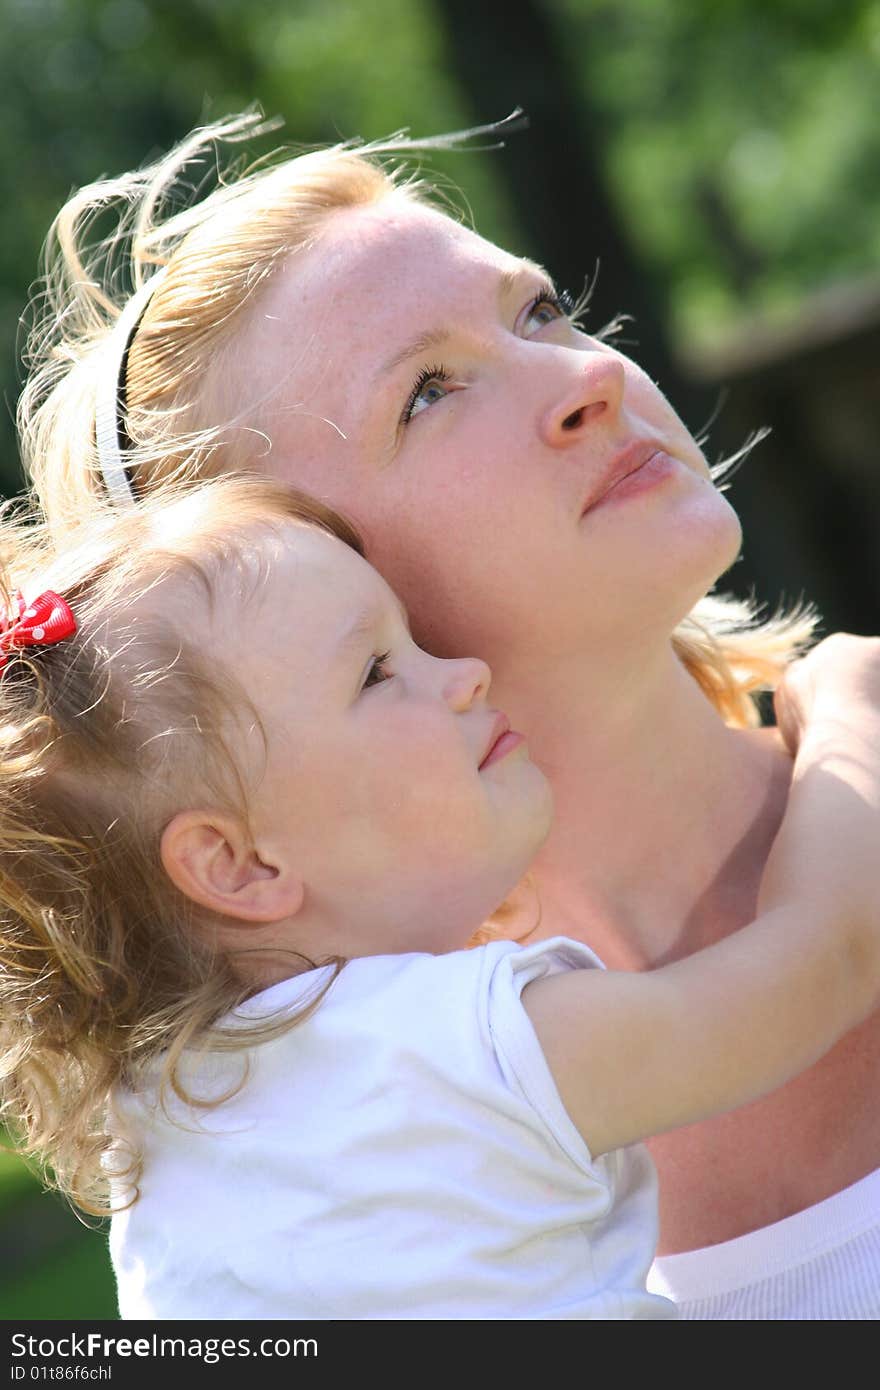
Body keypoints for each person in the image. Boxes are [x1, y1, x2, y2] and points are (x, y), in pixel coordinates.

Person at [16, 114, 880, 1317]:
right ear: (288, 586)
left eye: (537, 312)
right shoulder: (359, 1171)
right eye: (426, 393)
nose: (587, 377)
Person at [0, 473, 879, 1320]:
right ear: (239, 866)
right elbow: (825, 963)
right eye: (379, 671)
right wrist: (844, 707)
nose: (463, 673)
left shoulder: (162, 1151)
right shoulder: (464, 1050)